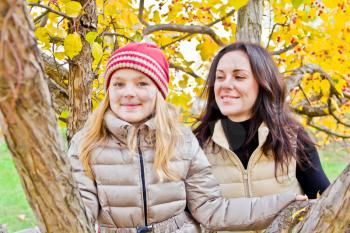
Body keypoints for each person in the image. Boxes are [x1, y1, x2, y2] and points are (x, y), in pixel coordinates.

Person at [68, 42, 306, 233]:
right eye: (119, 84)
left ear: (159, 92)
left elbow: (212, 210)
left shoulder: (181, 141)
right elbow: (76, 214)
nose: (129, 92)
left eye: (142, 83)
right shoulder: (86, 143)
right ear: (109, 91)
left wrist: (282, 202)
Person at [194, 42, 329, 232]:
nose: (225, 84)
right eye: (219, 77)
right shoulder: (197, 145)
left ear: (263, 82)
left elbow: (327, 207)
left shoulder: (293, 138)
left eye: (239, 77)